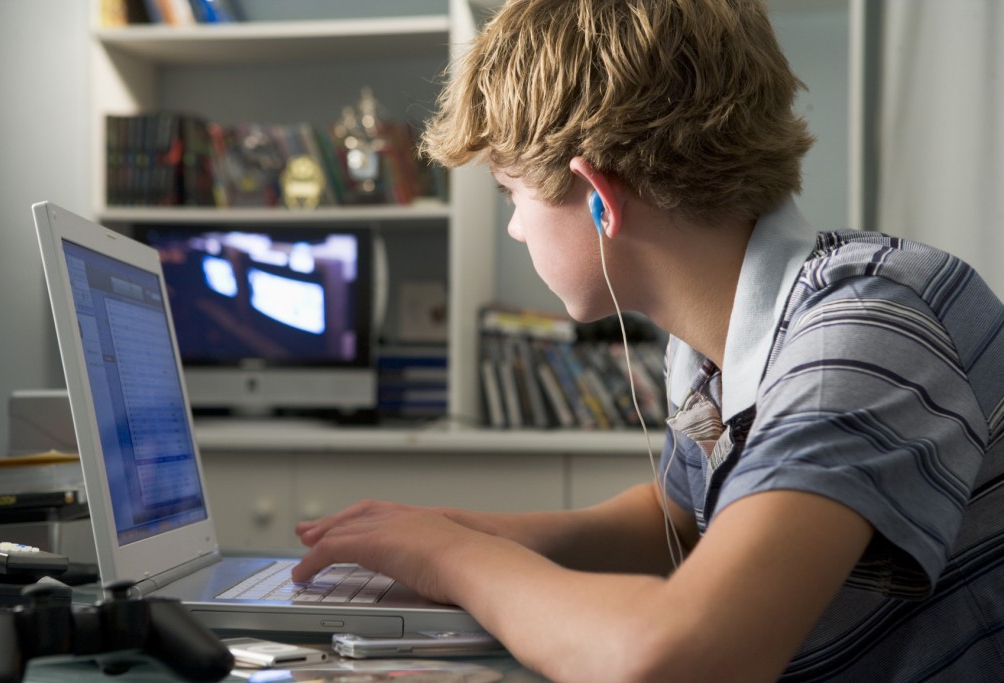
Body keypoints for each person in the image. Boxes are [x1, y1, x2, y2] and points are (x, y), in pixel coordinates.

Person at [293, 1, 1004, 680]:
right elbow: (676, 523)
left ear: (598, 195)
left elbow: (685, 657)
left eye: (511, 193)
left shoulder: (866, 336)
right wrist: (467, 531)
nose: (513, 225)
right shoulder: (710, 346)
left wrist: (451, 559)